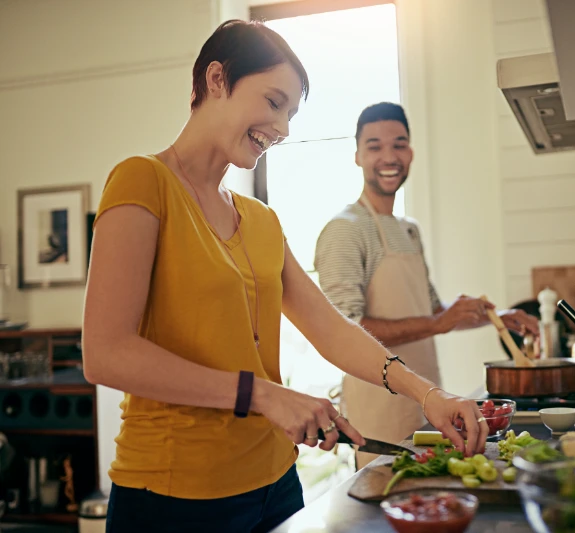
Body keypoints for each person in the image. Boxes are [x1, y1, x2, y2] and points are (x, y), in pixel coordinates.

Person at [82, 21, 488, 533]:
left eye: (292, 113)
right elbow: (105, 352)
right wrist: (267, 395)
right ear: (216, 79)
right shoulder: (142, 182)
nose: (284, 127)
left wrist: (428, 394)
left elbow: (331, 327)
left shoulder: (260, 219)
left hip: (275, 482)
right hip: (174, 492)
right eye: (274, 102)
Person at [314, 102, 539, 468]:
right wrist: (438, 322)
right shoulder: (346, 229)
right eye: (374, 146)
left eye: (399, 144)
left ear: (411, 152)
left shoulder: (408, 230)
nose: (389, 156)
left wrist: (496, 317)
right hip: (379, 415)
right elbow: (345, 331)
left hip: (427, 405)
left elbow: (435, 312)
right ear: (357, 156)